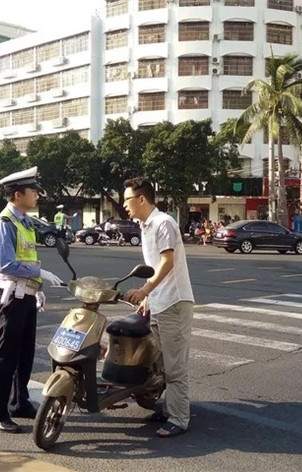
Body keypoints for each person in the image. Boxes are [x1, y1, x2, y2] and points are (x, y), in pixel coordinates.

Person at [0, 166, 63, 434]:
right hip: (10, 297)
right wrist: (39, 273)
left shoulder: (24, 222)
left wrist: (37, 285)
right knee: (5, 356)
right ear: (18, 194)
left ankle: (20, 402)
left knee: (24, 354)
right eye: (33, 191)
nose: (37, 196)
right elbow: (7, 263)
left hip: (26, 295)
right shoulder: (4, 223)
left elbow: (27, 258)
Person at [123, 177, 194, 438]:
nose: (124, 204)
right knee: (161, 363)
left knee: (175, 366)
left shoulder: (163, 223)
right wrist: (148, 299)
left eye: (127, 199)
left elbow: (167, 262)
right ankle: (168, 409)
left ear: (142, 199)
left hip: (174, 303)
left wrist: (144, 290)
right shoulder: (145, 226)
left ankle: (179, 418)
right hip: (160, 303)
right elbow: (154, 267)